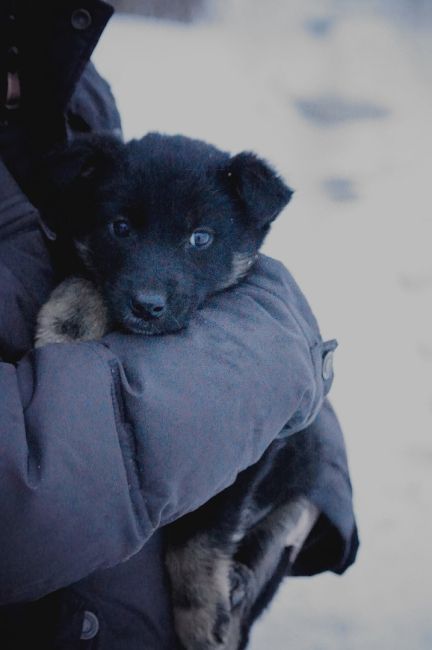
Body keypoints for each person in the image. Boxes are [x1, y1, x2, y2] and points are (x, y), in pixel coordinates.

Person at [0, 2, 359, 648]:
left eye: (196, 239)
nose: (149, 285)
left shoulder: (73, 95)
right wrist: (271, 357)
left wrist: (311, 488)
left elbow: (294, 410)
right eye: (122, 232)